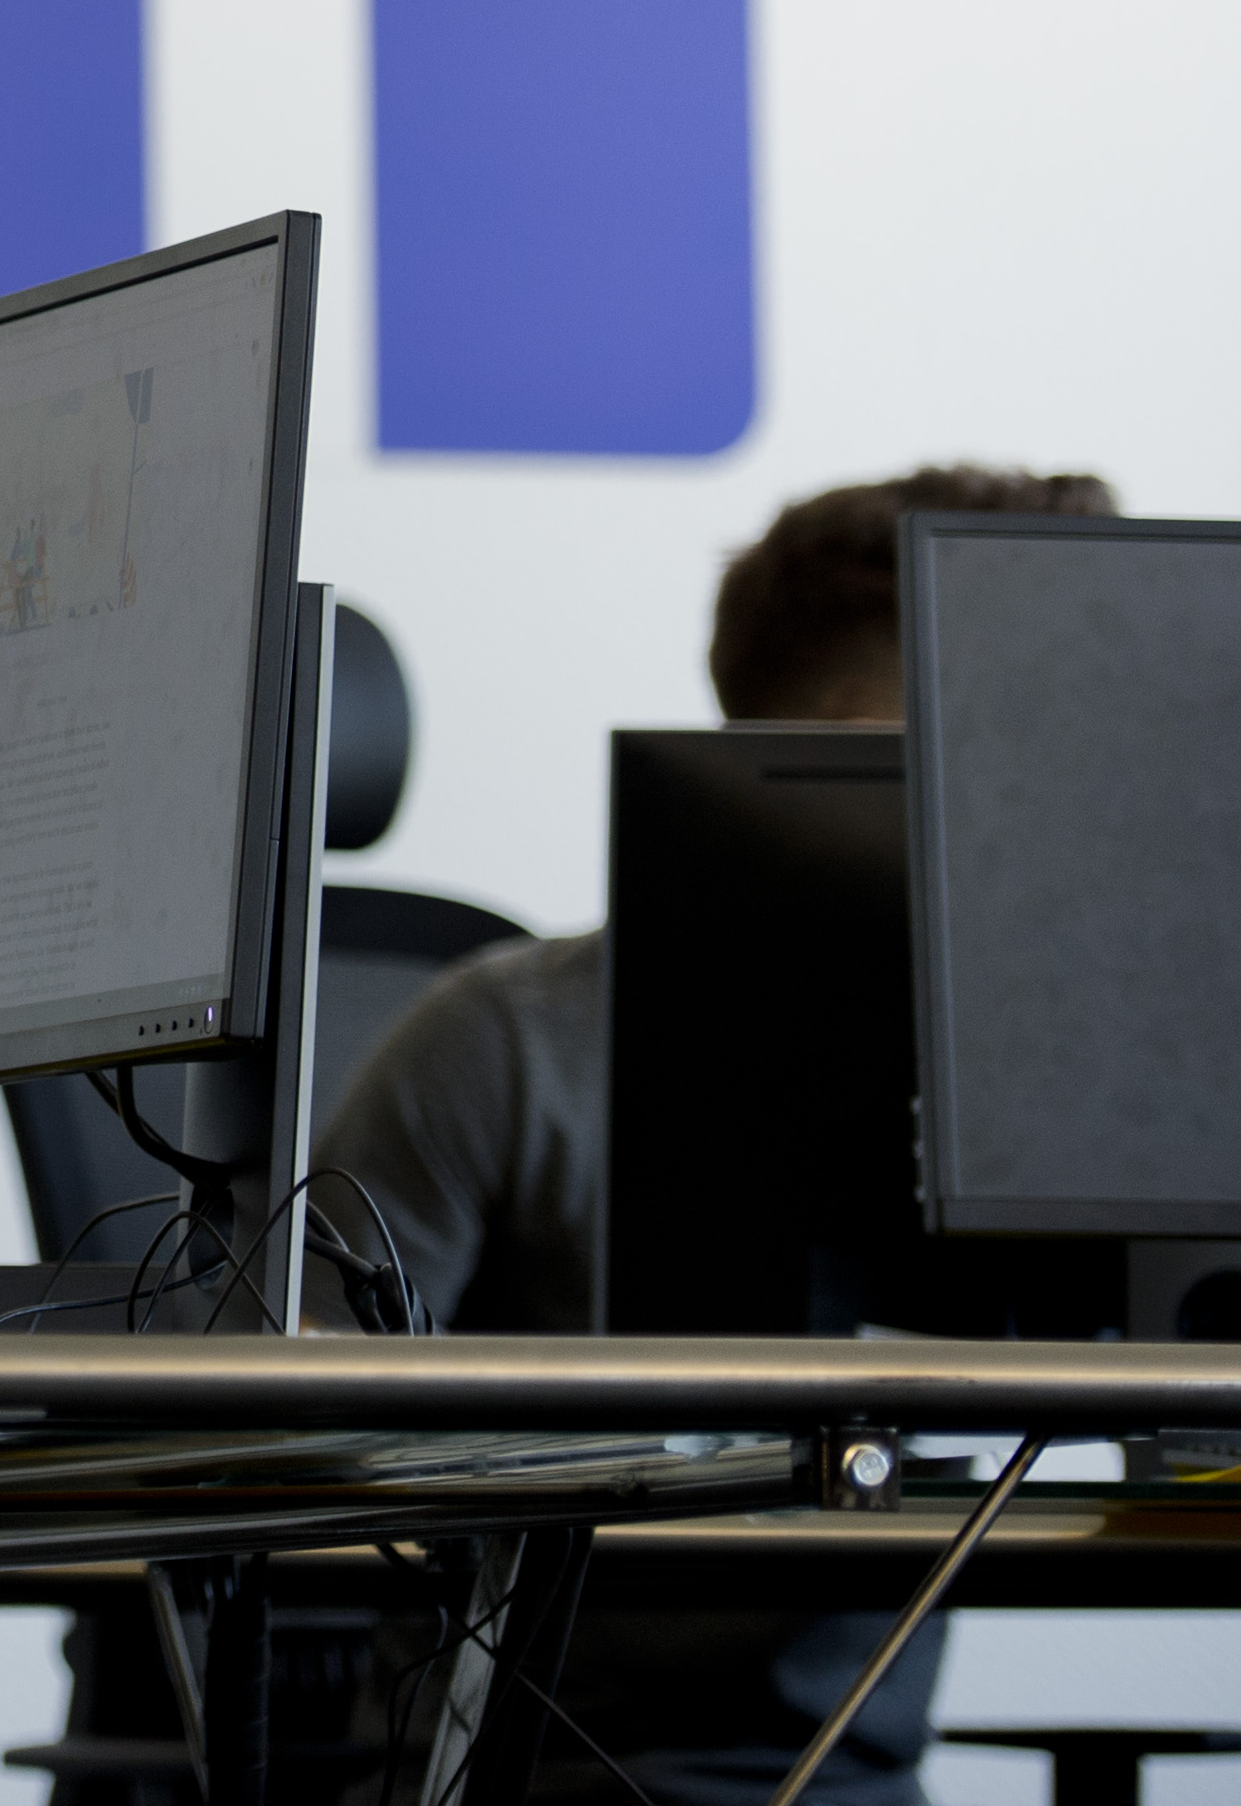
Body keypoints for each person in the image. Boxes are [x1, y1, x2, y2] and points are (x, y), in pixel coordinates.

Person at [314, 462, 1117, 1806]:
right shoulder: (503, 1042)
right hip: (533, 1790)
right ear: (868, 746)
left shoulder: (1059, 1081)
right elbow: (274, 1411)